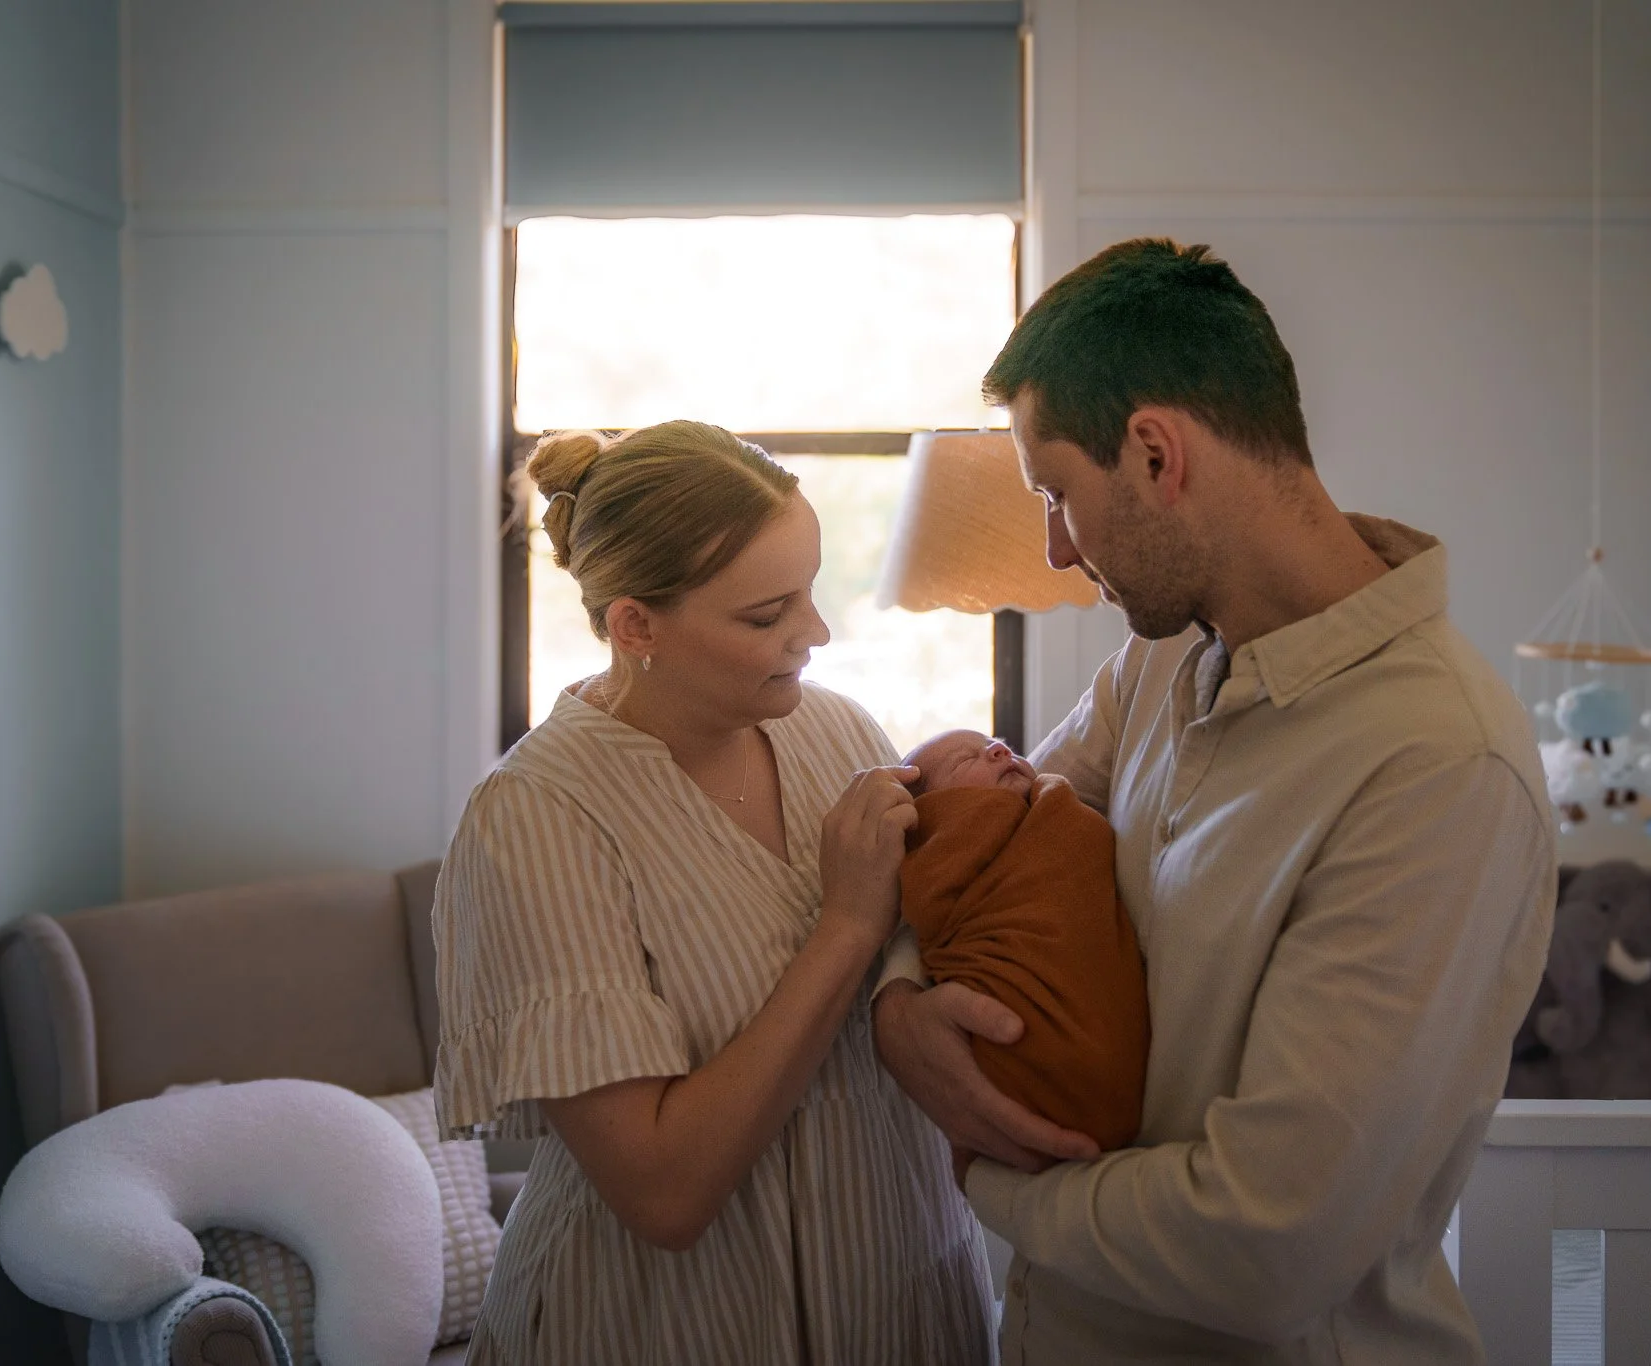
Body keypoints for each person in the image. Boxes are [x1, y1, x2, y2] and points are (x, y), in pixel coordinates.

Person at [873, 240, 1558, 1364]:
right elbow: (974, 841)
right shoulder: (1157, 669)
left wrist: (999, 1189)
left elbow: (1266, 1244)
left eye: (1057, 496)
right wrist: (898, 1013)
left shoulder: (1436, 764)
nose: (1055, 549)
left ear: (1153, 454)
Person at [434, 421, 995, 1365]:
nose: (813, 635)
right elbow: (663, 1193)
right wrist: (848, 925)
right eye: (765, 615)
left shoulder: (842, 736)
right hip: (657, 1325)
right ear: (635, 625)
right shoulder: (536, 818)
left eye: (809, 594)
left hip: (899, 1295)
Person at [897, 729, 1148, 1150]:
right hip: (1018, 1032)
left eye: (1001, 746)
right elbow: (924, 898)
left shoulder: (1049, 815)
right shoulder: (942, 850)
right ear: (934, 814)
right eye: (966, 760)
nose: (1000, 750)